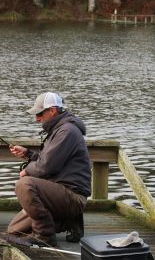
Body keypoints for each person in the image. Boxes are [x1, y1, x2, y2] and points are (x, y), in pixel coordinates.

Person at [6, 92, 91, 247]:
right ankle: (67, 221)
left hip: (72, 196)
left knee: (24, 184)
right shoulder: (59, 129)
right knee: (14, 231)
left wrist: (27, 171)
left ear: (52, 111)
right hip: (60, 192)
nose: (37, 118)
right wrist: (29, 154)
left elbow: (46, 167)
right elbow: (50, 161)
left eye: (39, 114)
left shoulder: (67, 131)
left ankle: (44, 235)